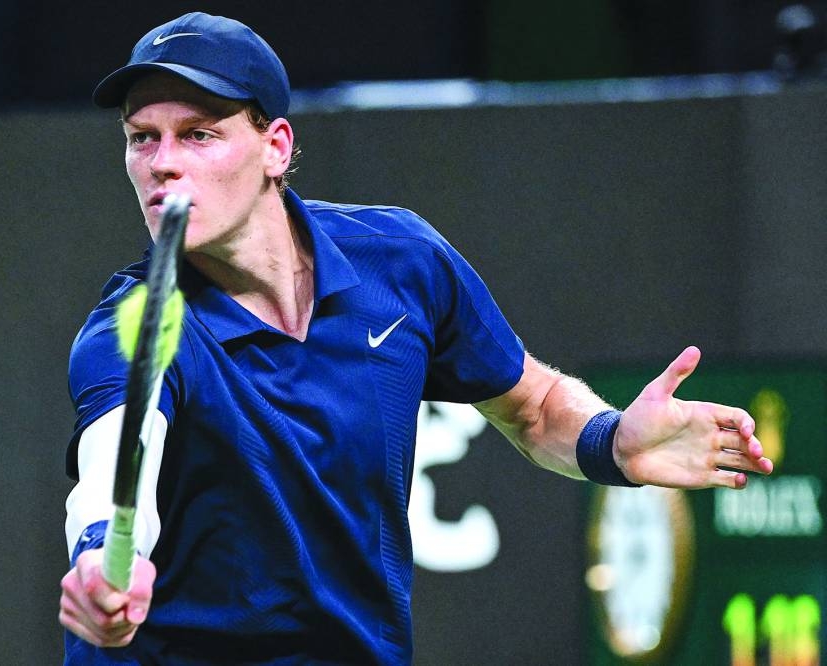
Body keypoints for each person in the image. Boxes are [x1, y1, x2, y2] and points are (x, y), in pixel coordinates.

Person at [58, 11, 774, 665]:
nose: (162, 163)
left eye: (199, 134)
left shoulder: (399, 261)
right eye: (141, 137)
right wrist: (100, 563)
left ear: (275, 147)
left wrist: (612, 442)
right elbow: (114, 469)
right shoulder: (130, 330)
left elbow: (532, 405)